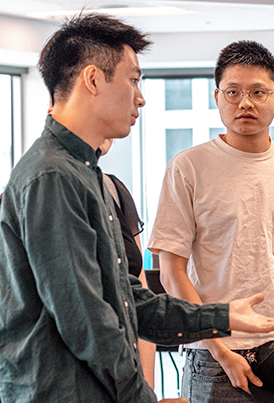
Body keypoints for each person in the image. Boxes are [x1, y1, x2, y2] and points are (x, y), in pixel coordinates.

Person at [0, 14, 274, 403]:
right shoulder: (53, 176)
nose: (141, 96)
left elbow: (125, 301)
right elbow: (87, 321)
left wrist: (221, 318)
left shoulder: (84, 173)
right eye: (133, 79)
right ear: (92, 80)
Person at [148, 40, 274, 403]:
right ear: (217, 97)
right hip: (214, 359)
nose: (244, 102)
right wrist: (219, 350)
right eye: (232, 92)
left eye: (257, 92)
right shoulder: (188, 168)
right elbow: (171, 271)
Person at [99, 138, 156, 389]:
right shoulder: (44, 186)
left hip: (125, 378)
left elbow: (140, 297)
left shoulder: (113, 190)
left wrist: (147, 386)